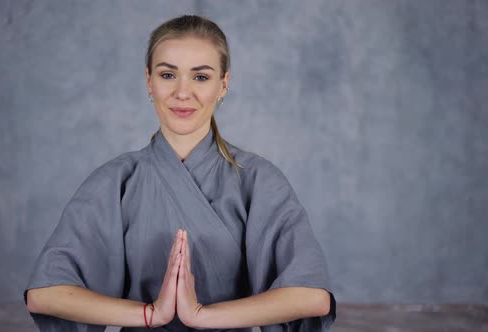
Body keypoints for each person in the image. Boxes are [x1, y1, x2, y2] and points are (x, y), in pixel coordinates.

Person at [24, 15, 336, 332]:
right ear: (149, 80)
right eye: (168, 74)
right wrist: (151, 314)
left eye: (200, 77)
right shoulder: (116, 181)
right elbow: (45, 294)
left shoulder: (258, 180)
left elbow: (312, 297)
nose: (182, 92)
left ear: (223, 83)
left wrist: (201, 315)